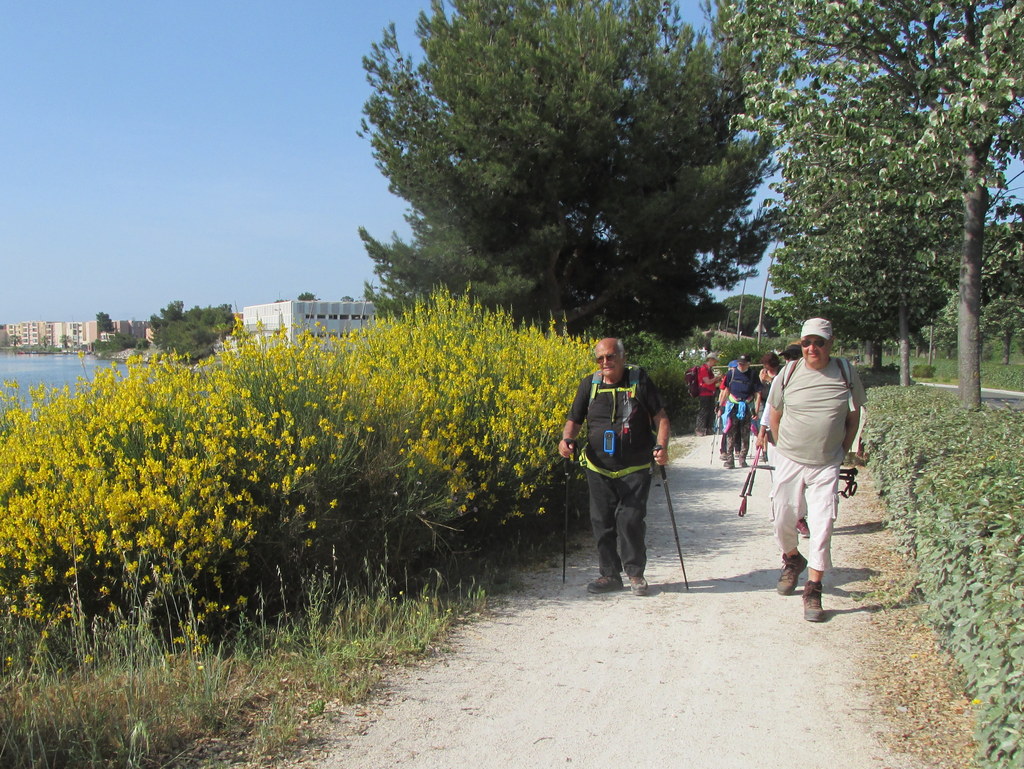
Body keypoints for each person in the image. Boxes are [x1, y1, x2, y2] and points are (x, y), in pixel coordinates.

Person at [767, 318, 866, 622]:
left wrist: (843, 451)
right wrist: (783, 447)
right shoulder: (789, 372)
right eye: (807, 342)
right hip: (790, 459)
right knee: (783, 518)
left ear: (830, 343)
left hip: (826, 463)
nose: (812, 348)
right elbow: (774, 415)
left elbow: (854, 417)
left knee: (822, 526)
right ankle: (793, 559)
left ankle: (814, 588)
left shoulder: (845, 372)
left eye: (819, 342)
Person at [560, 338, 670, 597]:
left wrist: (662, 446)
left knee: (630, 518)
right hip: (598, 467)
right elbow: (574, 420)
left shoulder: (639, 380)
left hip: (635, 465)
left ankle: (635, 573)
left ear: (622, 356)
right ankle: (609, 575)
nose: (605, 362)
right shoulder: (590, 384)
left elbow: (661, 418)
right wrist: (567, 440)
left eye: (610, 357)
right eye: (600, 358)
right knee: (601, 521)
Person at [757, 344, 810, 537]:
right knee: (780, 479)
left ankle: (799, 517)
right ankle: (783, 515)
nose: (789, 362)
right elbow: (770, 408)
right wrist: (762, 433)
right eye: (787, 359)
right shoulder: (781, 378)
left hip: (801, 439)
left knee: (800, 482)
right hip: (778, 439)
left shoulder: (808, 380)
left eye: (792, 358)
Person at [717, 354, 762, 469]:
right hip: (733, 406)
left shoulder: (752, 375)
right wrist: (720, 406)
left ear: (748, 364)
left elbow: (758, 393)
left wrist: (756, 410)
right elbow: (725, 390)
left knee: (745, 433)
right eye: (739, 363)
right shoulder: (730, 374)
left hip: (747, 406)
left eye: (743, 363)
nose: (740, 365)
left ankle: (742, 458)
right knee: (731, 433)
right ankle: (730, 459)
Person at [694, 353, 723, 436]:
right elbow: (708, 381)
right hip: (704, 393)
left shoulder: (709, 369)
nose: (715, 363)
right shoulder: (703, 369)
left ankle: (708, 429)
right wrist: (716, 378)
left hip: (711, 393)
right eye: (714, 361)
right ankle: (700, 429)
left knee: (710, 411)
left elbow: (711, 382)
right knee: (703, 411)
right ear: (710, 359)